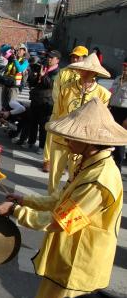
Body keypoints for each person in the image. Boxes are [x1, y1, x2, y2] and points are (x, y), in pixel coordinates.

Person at [0, 98, 127, 298]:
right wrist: (25, 200)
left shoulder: (99, 179)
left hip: (77, 263)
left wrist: (14, 210)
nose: (67, 140)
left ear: (90, 142)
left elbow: (59, 221)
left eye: (73, 137)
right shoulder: (89, 164)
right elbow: (60, 199)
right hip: (66, 258)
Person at [48, 53, 111, 196]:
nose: (82, 72)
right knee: (53, 178)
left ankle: (67, 207)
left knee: (75, 178)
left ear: (94, 73)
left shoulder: (103, 94)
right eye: (82, 69)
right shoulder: (67, 89)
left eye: (87, 70)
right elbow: (57, 113)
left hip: (83, 143)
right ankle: (50, 205)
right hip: (61, 138)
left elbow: (100, 120)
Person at [42, 46, 89, 173]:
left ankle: (68, 163)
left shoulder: (87, 74)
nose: (74, 59)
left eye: (77, 57)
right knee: (51, 136)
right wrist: (62, 107)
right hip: (60, 111)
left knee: (73, 140)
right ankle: (47, 160)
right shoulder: (64, 72)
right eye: (73, 56)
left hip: (78, 114)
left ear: (84, 58)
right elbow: (56, 91)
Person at [17, 50, 61, 152]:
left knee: (43, 125)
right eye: (48, 57)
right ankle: (30, 142)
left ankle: (41, 146)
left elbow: (51, 85)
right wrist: (32, 75)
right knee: (33, 122)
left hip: (47, 102)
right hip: (36, 99)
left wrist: (43, 75)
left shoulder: (57, 72)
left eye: (52, 57)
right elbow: (34, 82)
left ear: (57, 60)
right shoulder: (43, 68)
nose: (49, 59)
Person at [109, 57, 127, 170]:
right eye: (124, 67)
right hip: (113, 110)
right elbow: (111, 93)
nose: (124, 69)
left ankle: (117, 167)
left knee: (120, 141)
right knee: (110, 138)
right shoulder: (117, 79)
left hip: (125, 113)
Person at [0, 44, 29, 112]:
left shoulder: (25, 61)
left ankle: (9, 119)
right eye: (17, 49)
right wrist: (10, 47)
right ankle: (3, 119)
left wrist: (15, 60)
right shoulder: (11, 57)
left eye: (20, 49)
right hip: (6, 83)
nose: (18, 51)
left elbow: (20, 69)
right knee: (4, 103)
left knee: (11, 104)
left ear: (24, 51)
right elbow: (2, 50)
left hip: (14, 86)